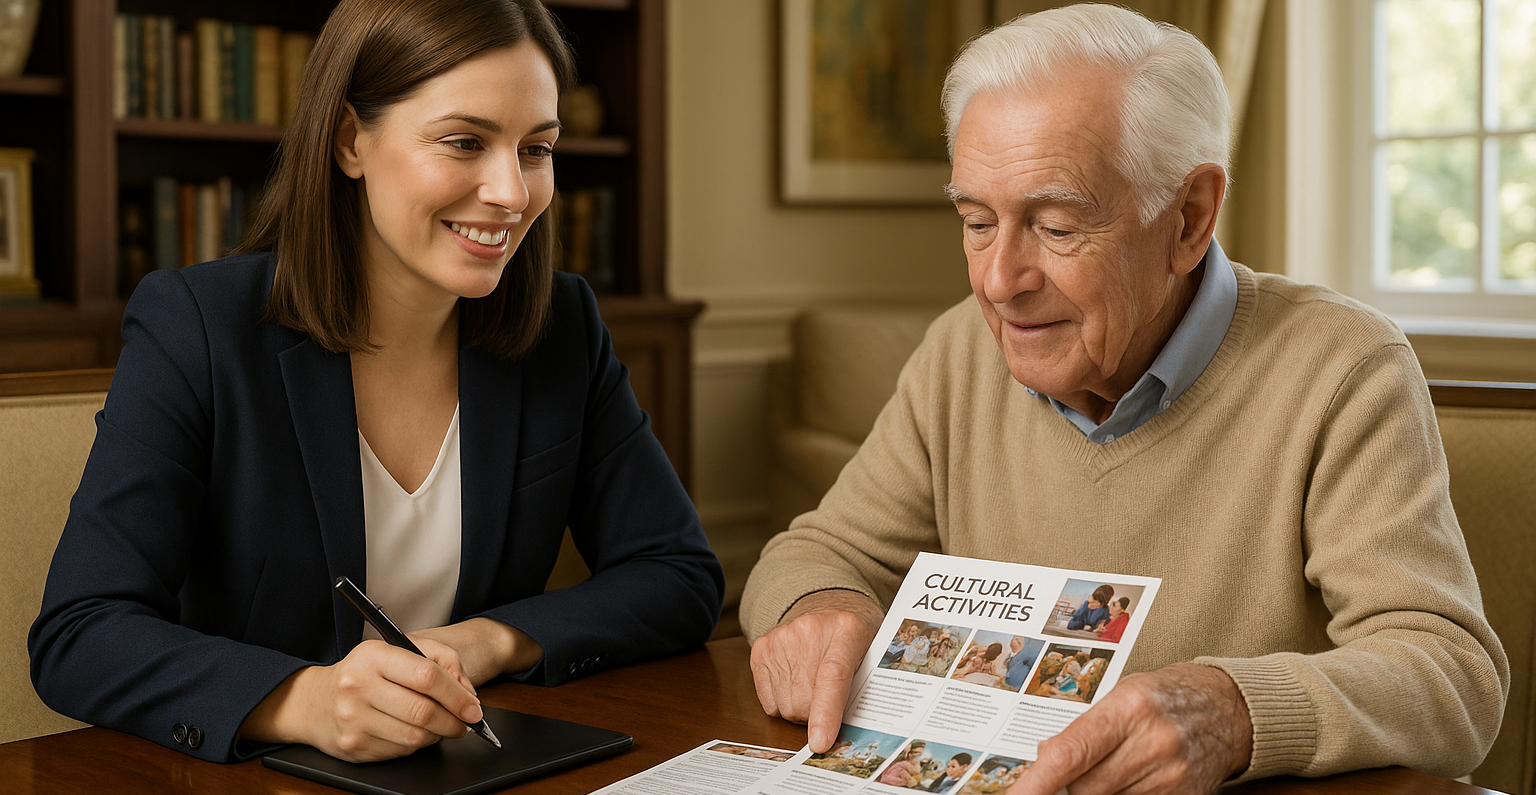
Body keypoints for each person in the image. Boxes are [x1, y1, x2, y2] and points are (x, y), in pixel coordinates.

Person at [741, 4, 1506, 793]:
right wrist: (820, 609)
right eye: (976, 221)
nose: (1000, 281)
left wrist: (1235, 711)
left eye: (1059, 227)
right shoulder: (959, 352)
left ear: (1189, 217)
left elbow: (1451, 677)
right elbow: (810, 554)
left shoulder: (1343, 366)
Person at [28, 0, 723, 765]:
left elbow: (679, 575)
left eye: (536, 149)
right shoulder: (197, 326)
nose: (512, 192)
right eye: (465, 141)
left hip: (469, 770)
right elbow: (80, 631)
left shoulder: (562, 327)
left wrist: (485, 641)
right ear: (350, 139)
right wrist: (303, 700)